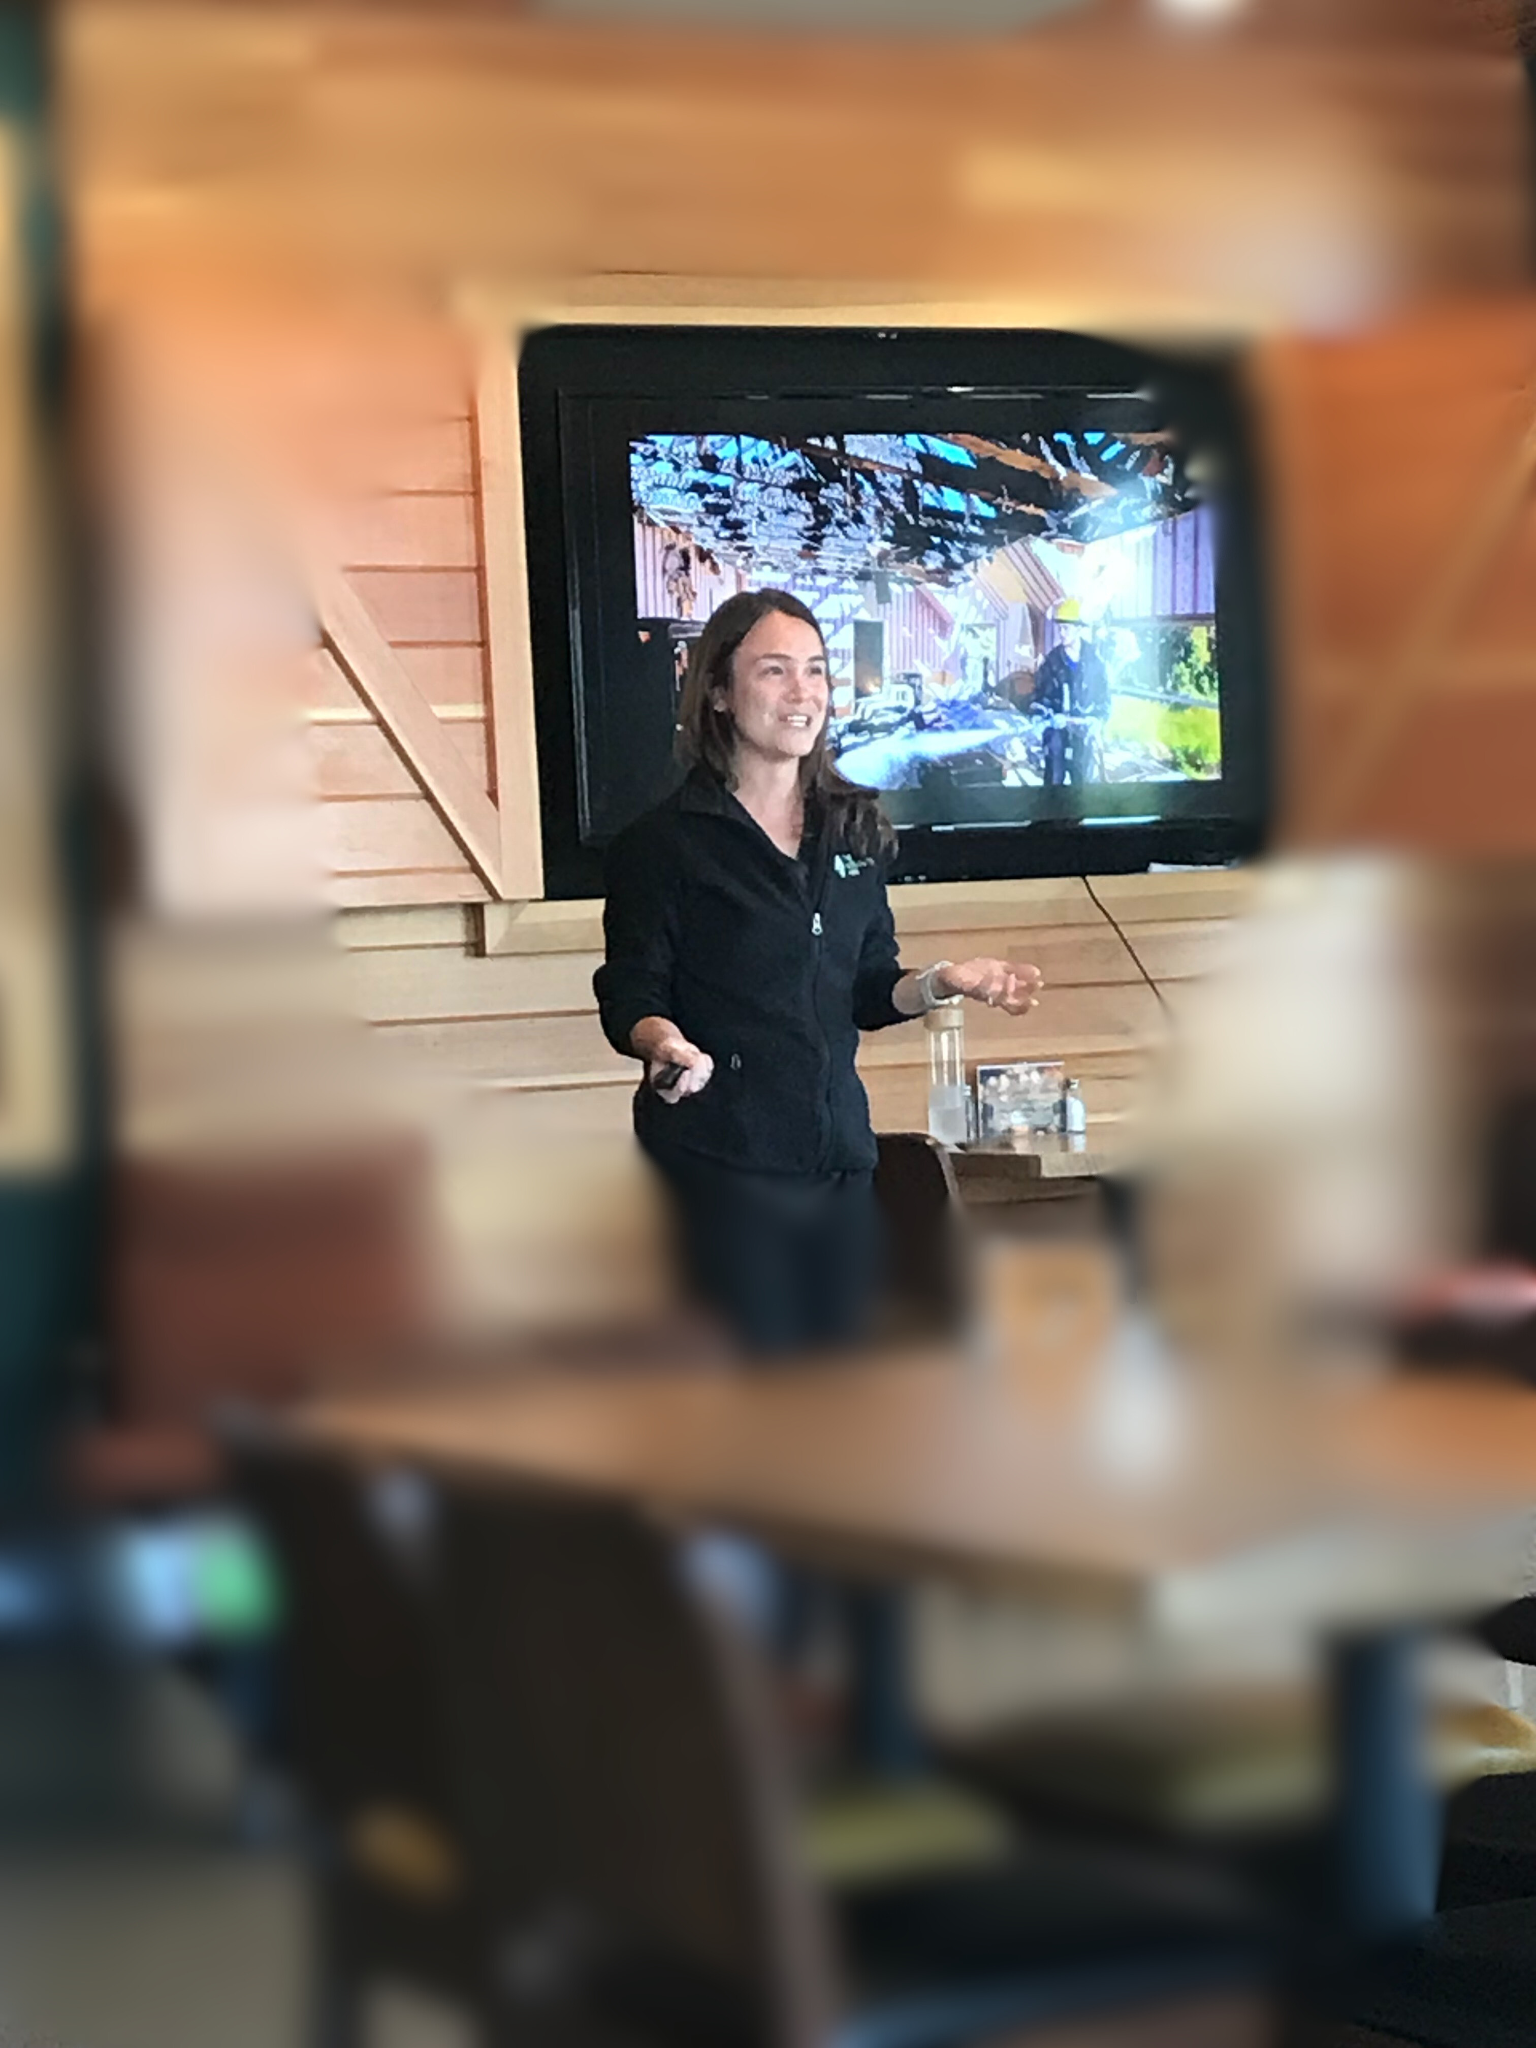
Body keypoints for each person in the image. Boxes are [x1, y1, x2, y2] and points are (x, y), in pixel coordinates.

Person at [595, 586, 1044, 1357]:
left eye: (815, 671)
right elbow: (633, 991)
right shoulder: (663, 845)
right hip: (716, 1174)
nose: (802, 693)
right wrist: (664, 1046)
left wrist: (943, 981)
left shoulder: (856, 828)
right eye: (774, 671)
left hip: (838, 1167)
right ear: (719, 694)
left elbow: (871, 985)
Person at [1033, 599, 1110, 786]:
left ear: (1079, 629)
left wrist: (1097, 720)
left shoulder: (1095, 662)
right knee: (1054, 779)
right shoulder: (1052, 662)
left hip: (1084, 730)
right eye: (1060, 628)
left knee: (1082, 781)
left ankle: (1078, 814)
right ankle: (1052, 812)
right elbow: (1040, 698)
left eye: (1066, 628)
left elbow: (1103, 698)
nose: (1061, 633)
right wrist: (1046, 717)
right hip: (1057, 730)